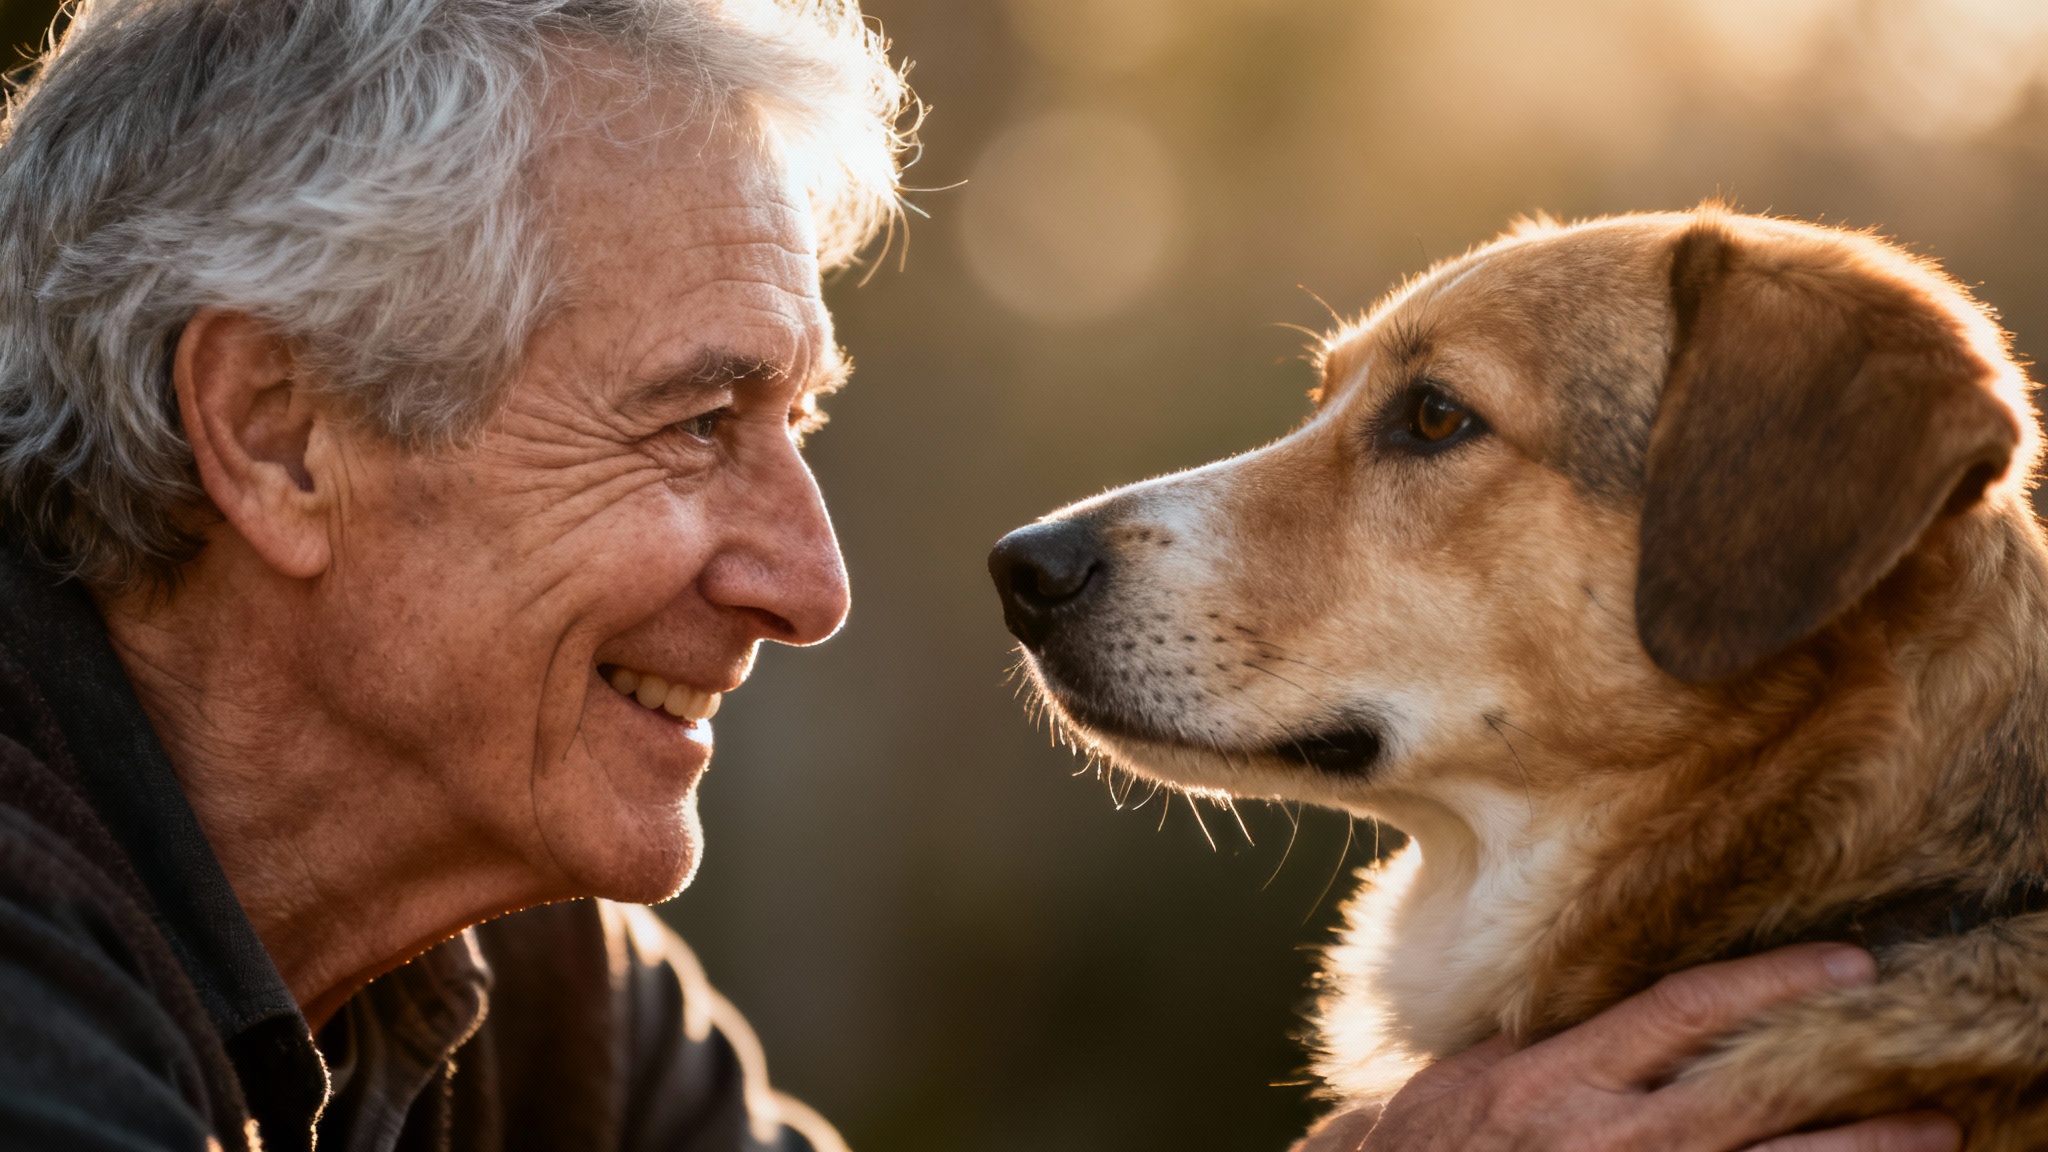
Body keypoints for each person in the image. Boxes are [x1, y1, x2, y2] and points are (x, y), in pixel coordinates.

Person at [0, 1, 1973, 1149]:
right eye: (696, 425)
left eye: (801, 422)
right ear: (273, 431)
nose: (812, 579)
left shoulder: (497, 963)